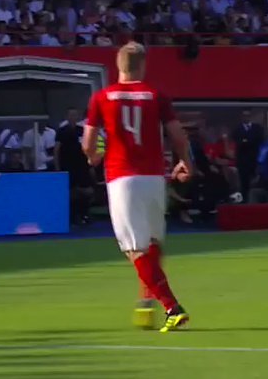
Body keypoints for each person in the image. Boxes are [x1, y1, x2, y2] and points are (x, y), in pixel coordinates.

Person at [83, 42, 194, 333]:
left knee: (135, 248)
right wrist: (185, 162)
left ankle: (172, 307)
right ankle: (145, 304)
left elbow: (89, 143)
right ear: (143, 65)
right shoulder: (156, 95)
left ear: (118, 65)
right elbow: (178, 136)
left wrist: (94, 155)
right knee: (153, 243)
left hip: (122, 178)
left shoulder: (101, 97)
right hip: (154, 178)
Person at [55, 108, 93, 224]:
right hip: (67, 165)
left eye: (75, 115)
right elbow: (57, 149)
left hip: (82, 165)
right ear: (67, 117)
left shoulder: (82, 130)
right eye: (71, 115)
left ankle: (84, 214)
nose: (73, 117)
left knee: (86, 191)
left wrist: (90, 163)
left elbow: (88, 147)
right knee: (71, 192)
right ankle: (72, 216)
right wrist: (57, 167)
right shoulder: (62, 131)